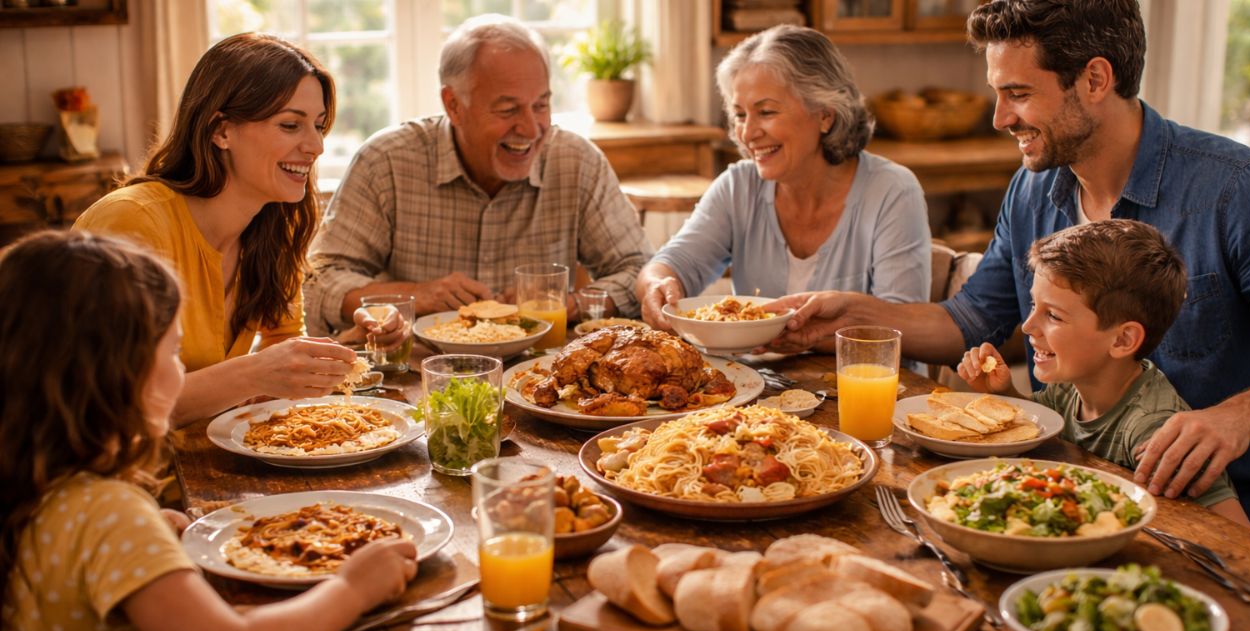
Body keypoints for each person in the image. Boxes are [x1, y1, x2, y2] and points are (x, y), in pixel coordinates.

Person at [767, 0, 1250, 537]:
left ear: (1095, 80)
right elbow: (972, 319)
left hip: (1230, 521)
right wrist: (851, 316)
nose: (1000, 118)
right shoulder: (1032, 189)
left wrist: (1236, 418)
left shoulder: (1239, 192)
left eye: (1018, 93)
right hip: (1063, 498)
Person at [0, 230, 417, 631]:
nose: (181, 374)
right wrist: (353, 588)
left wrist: (148, 537)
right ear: (119, 374)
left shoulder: (41, 489)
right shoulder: (106, 513)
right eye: (173, 354)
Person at [74, 33, 404, 427]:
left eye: (318, 126)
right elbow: (118, 407)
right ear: (221, 131)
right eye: (290, 125)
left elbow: (281, 344)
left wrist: (347, 349)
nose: (316, 146)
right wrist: (255, 373)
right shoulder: (132, 223)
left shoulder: (275, 225)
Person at [304, 14, 652, 335]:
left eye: (541, 105)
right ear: (454, 105)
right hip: (418, 370)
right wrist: (416, 296)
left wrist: (567, 303)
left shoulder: (577, 161)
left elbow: (639, 271)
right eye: (508, 109)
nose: (531, 128)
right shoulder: (386, 162)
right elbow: (320, 283)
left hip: (544, 371)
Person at [956, 221, 1250, 527]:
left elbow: (1239, 540)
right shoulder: (1069, 388)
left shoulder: (1152, 429)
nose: (1028, 326)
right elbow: (1036, 428)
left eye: (1053, 315)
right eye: (1033, 304)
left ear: (1122, 340)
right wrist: (1003, 393)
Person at [635, 24, 929, 331]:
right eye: (740, 115)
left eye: (766, 112)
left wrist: (812, 336)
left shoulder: (892, 191)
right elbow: (668, 265)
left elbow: (903, 329)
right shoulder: (738, 187)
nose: (748, 133)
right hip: (751, 366)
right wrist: (658, 285)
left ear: (825, 115)